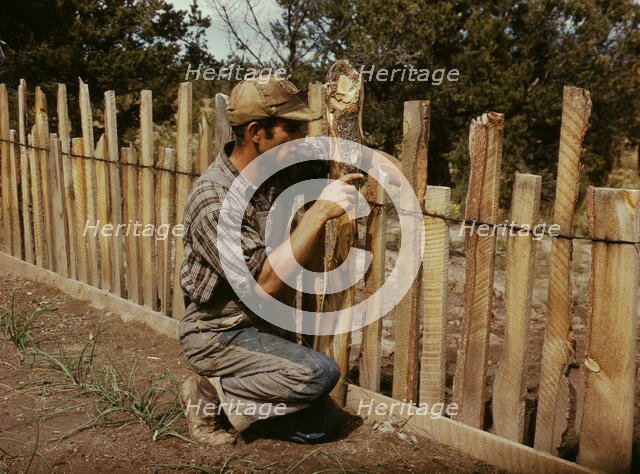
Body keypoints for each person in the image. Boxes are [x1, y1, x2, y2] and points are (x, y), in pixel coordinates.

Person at [177, 76, 368, 446]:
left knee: (320, 425)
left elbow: (349, 160)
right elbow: (263, 285)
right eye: (291, 128)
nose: (301, 138)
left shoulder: (277, 171)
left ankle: (241, 405)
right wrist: (316, 216)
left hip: (263, 331)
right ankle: (208, 394)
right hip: (219, 333)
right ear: (255, 132)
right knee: (321, 372)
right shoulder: (213, 200)